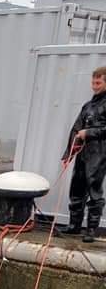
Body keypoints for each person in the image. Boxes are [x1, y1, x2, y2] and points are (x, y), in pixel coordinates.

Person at [62, 66, 106, 243]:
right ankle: (74, 226)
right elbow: (75, 129)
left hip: (99, 153)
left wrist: (88, 133)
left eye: (98, 82)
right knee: (76, 189)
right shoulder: (88, 106)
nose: (94, 86)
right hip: (82, 154)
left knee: (94, 190)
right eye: (93, 82)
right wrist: (68, 155)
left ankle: (91, 230)